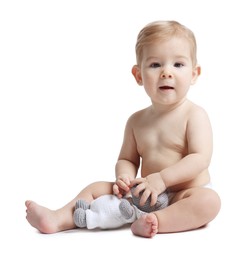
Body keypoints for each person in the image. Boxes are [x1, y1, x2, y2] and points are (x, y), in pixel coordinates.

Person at [25, 20, 221, 238]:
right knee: (97, 187)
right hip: (145, 193)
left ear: (194, 74)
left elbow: (200, 158)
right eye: (155, 65)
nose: (166, 72)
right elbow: (127, 159)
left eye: (178, 65)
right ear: (138, 75)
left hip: (182, 194)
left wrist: (163, 180)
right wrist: (125, 178)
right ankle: (58, 219)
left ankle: (156, 221)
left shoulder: (194, 115)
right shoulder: (136, 121)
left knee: (209, 202)